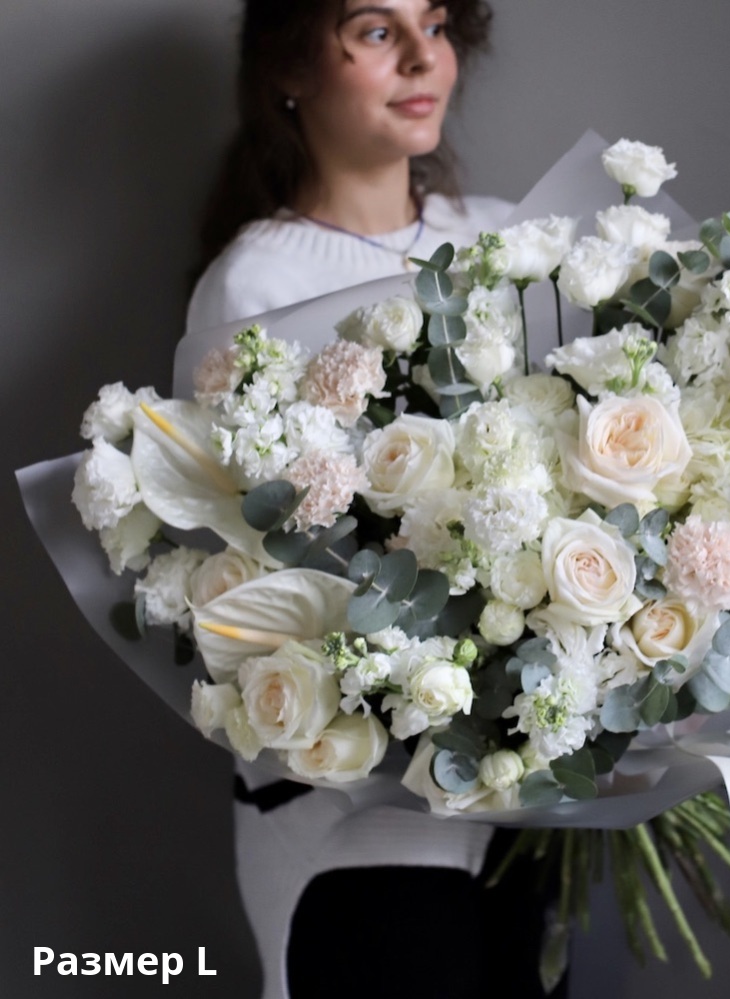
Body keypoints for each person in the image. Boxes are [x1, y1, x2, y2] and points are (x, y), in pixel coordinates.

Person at [185, 3, 566, 998]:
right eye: (374, 30)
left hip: (526, 806)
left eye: (433, 24)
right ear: (289, 70)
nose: (421, 57)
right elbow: (253, 577)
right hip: (350, 820)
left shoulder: (506, 240)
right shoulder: (255, 284)